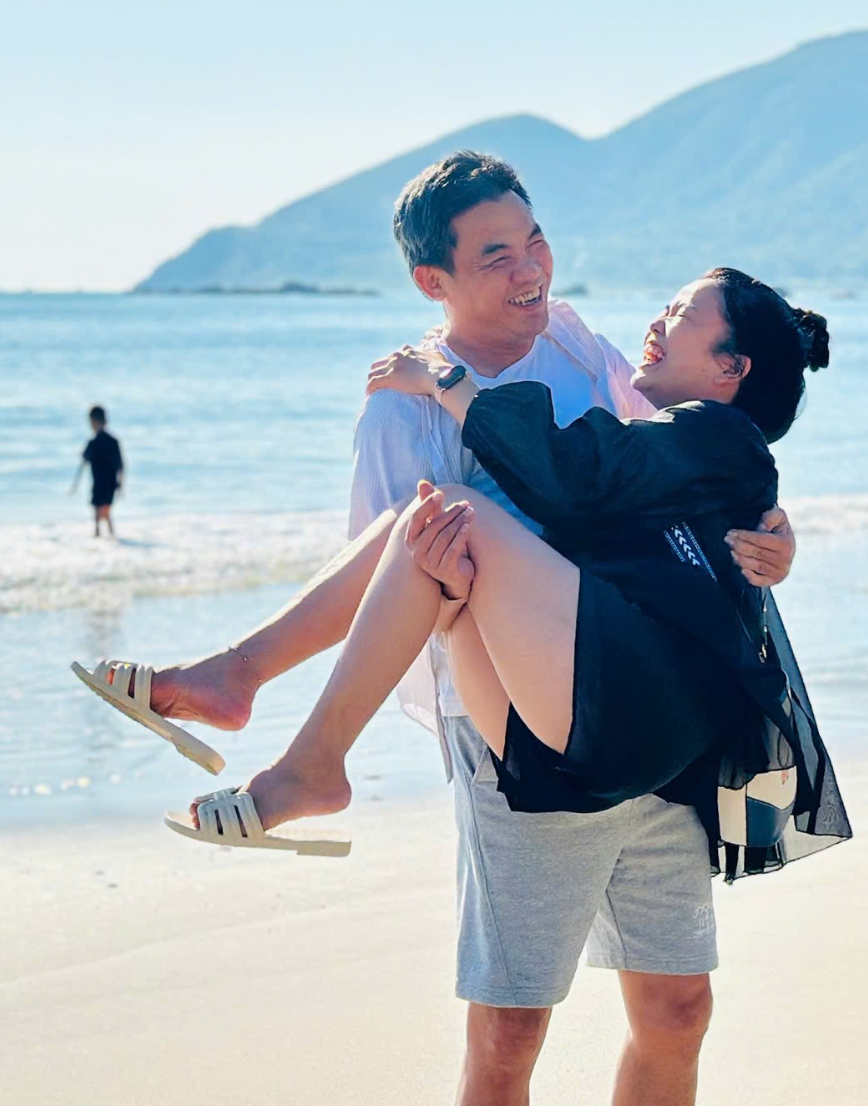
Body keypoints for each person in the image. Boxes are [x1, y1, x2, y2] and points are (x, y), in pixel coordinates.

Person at [78, 153, 805, 1106]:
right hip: (517, 721)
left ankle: (245, 685)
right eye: (497, 255)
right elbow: (390, 586)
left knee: (677, 1010)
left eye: (535, 240)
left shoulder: (580, 346)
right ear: (435, 280)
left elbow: (683, 459)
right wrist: (466, 594)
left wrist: (774, 532)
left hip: (657, 701)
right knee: (510, 1028)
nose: (530, 268)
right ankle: (254, 694)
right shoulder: (401, 406)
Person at [71, 405, 123, 539]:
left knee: (98, 508)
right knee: (105, 509)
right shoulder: (113, 441)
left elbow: (83, 462)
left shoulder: (93, 442)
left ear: (94, 421)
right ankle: (108, 534)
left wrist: (75, 484)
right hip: (111, 483)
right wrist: (120, 484)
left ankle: (99, 533)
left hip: (99, 482)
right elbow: (121, 466)